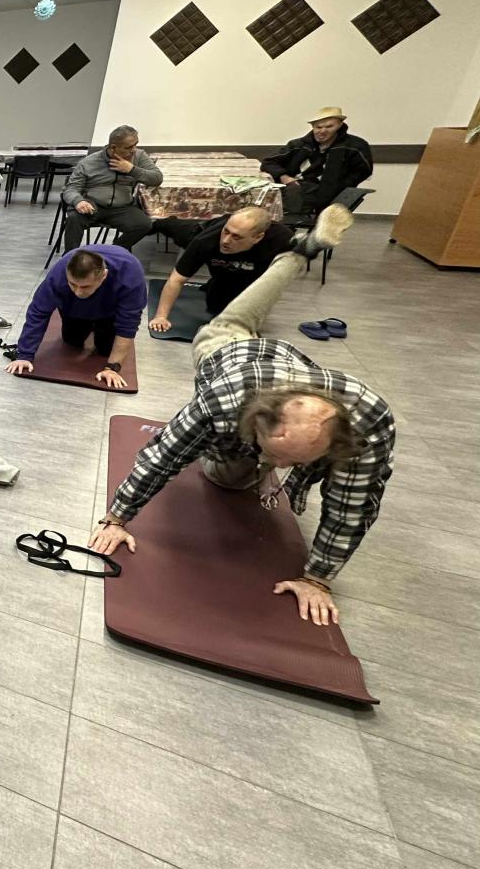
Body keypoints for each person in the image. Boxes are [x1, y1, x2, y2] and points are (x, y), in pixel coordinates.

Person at [90, 205, 391, 626]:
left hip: (283, 365)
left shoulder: (368, 421)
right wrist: (116, 517)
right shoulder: (226, 400)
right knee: (225, 476)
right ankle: (299, 253)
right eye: (275, 455)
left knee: (267, 465)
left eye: (294, 461)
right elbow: (164, 454)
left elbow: (352, 506)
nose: (280, 468)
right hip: (223, 346)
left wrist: (318, 579)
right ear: (256, 422)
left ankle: (301, 250)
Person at [7, 246, 144, 390]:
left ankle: (100, 324)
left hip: (110, 310)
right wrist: (24, 355)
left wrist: (112, 368)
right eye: (72, 284)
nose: (78, 292)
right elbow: (38, 312)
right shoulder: (58, 274)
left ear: (104, 275)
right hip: (74, 308)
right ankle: (85, 321)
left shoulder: (130, 275)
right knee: (72, 341)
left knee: (105, 349)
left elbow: (128, 325)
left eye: (85, 287)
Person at [148, 206, 294, 331]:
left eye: (236, 237)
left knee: (234, 310)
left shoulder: (284, 242)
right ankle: (163, 223)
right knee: (175, 229)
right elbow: (177, 279)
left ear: (257, 237)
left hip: (250, 270)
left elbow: (274, 286)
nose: (225, 241)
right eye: (226, 231)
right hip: (201, 231)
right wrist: (161, 317)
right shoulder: (205, 241)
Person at [260, 106, 373, 222]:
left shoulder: (356, 146)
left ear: (340, 125)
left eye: (329, 126)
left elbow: (363, 170)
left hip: (330, 195)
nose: (322, 131)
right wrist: (285, 178)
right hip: (294, 190)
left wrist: (341, 185)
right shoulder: (298, 145)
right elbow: (269, 162)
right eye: (318, 127)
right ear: (313, 127)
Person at [60, 124, 163, 251]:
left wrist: (132, 170)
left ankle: (113, 252)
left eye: (136, 144)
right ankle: (70, 257)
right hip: (93, 206)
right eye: (129, 147)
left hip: (122, 207)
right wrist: (78, 201)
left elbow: (157, 178)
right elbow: (71, 188)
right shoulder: (89, 162)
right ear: (113, 147)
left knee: (144, 224)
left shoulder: (139, 156)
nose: (134, 150)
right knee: (74, 219)